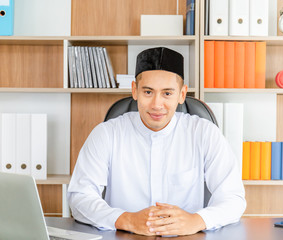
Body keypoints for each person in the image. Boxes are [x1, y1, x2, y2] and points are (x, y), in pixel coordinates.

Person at [67, 47, 246, 236]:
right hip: (125, 236)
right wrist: (126, 219)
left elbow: (233, 198)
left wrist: (197, 220)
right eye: (148, 92)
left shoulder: (204, 133)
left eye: (167, 93)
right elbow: (80, 197)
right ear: (135, 91)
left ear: (182, 94)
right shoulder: (106, 134)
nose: (157, 105)